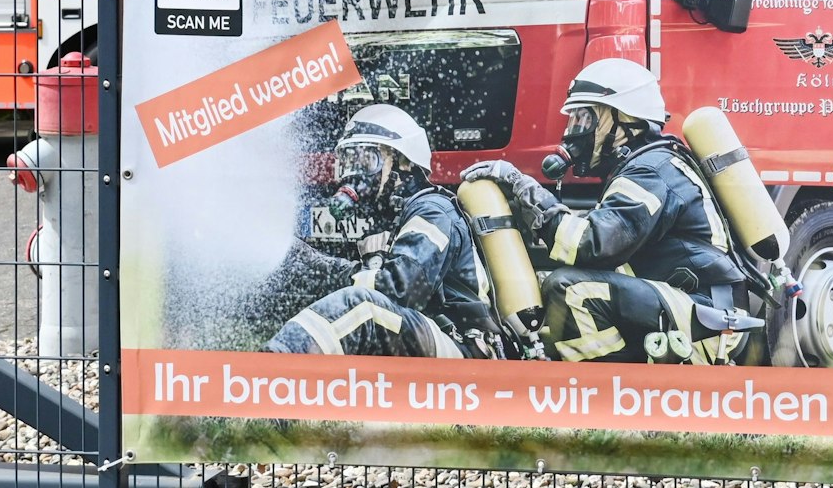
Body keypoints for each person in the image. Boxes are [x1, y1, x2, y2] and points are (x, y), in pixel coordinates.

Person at [461, 58, 759, 365]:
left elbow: (588, 244)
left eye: (585, 119)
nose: (575, 132)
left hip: (706, 320)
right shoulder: (644, 166)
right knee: (561, 285)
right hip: (690, 306)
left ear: (624, 119)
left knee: (574, 291)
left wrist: (524, 189)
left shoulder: (651, 172)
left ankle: (604, 391)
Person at [267, 104, 496, 358]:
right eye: (350, 161)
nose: (356, 174)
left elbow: (400, 291)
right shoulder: (397, 216)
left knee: (360, 307)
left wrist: (319, 265)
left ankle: (271, 372)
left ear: (403, 162)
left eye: (367, 161)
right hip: (436, 335)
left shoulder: (432, 211)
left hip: (466, 347)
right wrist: (310, 263)